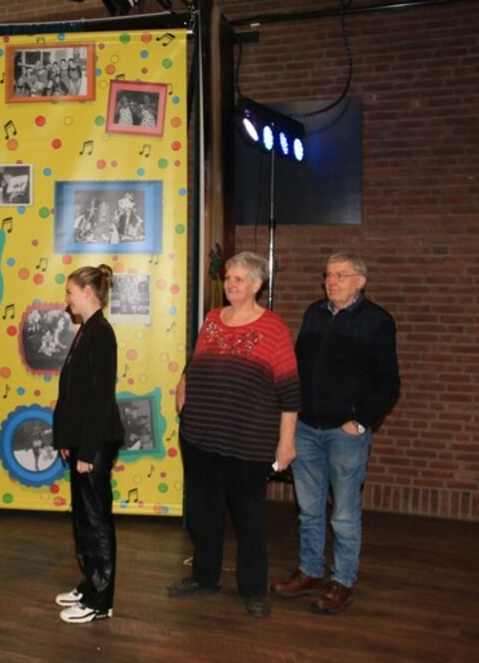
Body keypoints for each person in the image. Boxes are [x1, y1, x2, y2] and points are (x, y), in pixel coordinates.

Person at [167, 251, 300, 618]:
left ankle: (253, 589)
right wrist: (183, 384)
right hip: (200, 436)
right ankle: (204, 577)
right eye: (227, 278)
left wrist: (287, 441)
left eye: (238, 279)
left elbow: (290, 389)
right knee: (202, 514)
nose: (230, 284)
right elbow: (196, 362)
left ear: (257, 284)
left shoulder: (273, 328)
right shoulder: (212, 319)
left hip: (247, 442)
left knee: (249, 520)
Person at [271, 253, 400, 615]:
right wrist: (290, 419)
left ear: (361, 281)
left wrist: (359, 422)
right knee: (308, 509)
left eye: (342, 275)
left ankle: (342, 580)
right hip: (306, 429)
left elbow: (389, 383)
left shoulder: (377, 321)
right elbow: (297, 367)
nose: (332, 281)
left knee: (343, 513)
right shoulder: (314, 313)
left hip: (345, 434)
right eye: (328, 275)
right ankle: (311, 572)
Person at [52, 265, 125, 624]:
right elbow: (75, 393)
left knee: (96, 520)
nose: (66, 300)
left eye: (70, 292)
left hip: (95, 442)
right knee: (83, 517)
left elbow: (99, 398)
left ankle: (100, 600)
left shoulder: (101, 333)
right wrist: (69, 440)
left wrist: (87, 449)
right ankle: (89, 583)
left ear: (87, 292)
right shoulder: (87, 329)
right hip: (82, 441)